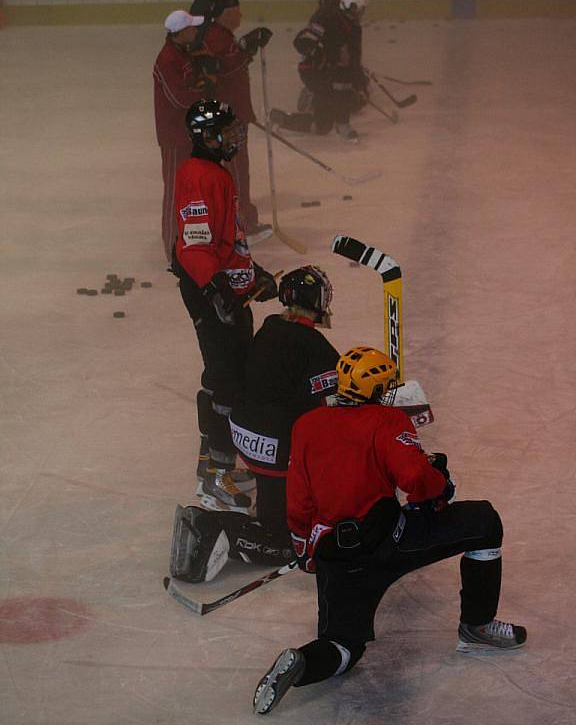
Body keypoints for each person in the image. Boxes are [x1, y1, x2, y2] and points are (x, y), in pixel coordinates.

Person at [252, 346, 527, 715]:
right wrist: (439, 485)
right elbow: (415, 477)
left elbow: (298, 500)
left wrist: (304, 547)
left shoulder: (306, 424)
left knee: (343, 646)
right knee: (484, 522)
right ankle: (476, 626)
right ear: (376, 389)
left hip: (335, 554)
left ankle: (302, 663)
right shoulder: (387, 420)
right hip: (390, 542)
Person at [169, 266, 339, 583]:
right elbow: (343, 392)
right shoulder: (314, 345)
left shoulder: (270, 325)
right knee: (286, 543)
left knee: (287, 498)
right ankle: (219, 529)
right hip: (274, 446)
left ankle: (275, 506)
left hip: (244, 434)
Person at [170, 99, 278, 516]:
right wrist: (217, 293)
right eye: (225, 132)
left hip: (224, 291)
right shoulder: (198, 176)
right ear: (205, 137)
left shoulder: (216, 172)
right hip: (209, 293)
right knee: (224, 380)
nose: (233, 138)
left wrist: (252, 275)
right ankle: (214, 475)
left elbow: (226, 240)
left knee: (235, 375)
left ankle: (223, 460)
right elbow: (194, 244)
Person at [204, 0, 273, 242]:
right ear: (226, 14)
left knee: (236, 171)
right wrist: (246, 49)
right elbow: (226, 70)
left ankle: (236, 223)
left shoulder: (222, 36)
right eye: (237, 12)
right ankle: (241, 225)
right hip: (227, 116)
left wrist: (245, 49)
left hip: (234, 113)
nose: (241, 16)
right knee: (236, 172)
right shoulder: (215, 37)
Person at [153, 10, 221, 261]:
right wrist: (204, 92)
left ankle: (193, 243)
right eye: (192, 28)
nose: (196, 30)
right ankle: (172, 249)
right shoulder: (167, 60)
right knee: (175, 192)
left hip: (190, 135)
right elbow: (178, 97)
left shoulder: (185, 53)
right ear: (180, 34)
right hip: (174, 138)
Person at [270, 0, 369, 144]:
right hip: (315, 71)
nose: (362, 14)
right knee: (325, 119)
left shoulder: (355, 28)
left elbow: (354, 57)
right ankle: (280, 117)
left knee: (344, 103)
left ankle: (342, 124)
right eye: (360, 9)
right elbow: (302, 41)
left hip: (334, 73)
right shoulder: (327, 19)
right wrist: (315, 49)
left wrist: (360, 82)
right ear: (350, 7)